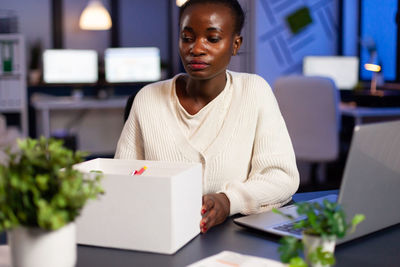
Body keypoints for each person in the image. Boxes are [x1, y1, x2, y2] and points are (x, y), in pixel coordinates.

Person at [115, 0, 299, 233]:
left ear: (235, 44)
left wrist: (228, 200)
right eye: (187, 38)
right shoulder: (147, 98)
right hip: (161, 232)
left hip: (234, 235)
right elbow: (122, 180)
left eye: (212, 39)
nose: (196, 49)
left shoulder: (255, 92)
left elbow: (281, 177)